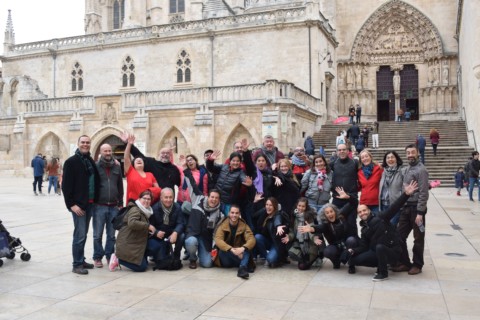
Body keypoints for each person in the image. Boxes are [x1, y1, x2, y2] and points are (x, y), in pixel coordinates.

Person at [347, 181, 418, 281]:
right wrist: (353, 251)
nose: (362, 213)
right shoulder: (364, 229)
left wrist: (406, 194)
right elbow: (364, 246)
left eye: (364, 210)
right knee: (354, 260)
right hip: (377, 252)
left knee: (380, 247)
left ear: (369, 211)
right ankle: (379, 264)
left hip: (392, 251)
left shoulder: (381, 217)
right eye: (360, 212)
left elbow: (394, 207)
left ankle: (383, 273)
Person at [62, 135, 100, 275]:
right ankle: (77, 264)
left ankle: (81, 259)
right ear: (78, 144)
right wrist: (71, 205)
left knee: (83, 234)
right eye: (83, 142)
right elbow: (66, 186)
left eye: (87, 142)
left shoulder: (89, 160)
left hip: (89, 204)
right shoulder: (71, 162)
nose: (85, 144)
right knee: (79, 235)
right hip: (78, 206)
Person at [392, 144, 429, 275]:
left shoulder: (421, 170)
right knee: (399, 236)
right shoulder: (406, 169)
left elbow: (424, 192)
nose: (410, 155)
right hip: (406, 208)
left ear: (418, 153)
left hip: (416, 209)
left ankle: (418, 264)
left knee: (418, 238)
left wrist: (420, 212)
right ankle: (405, 263)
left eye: (413, 152)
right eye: (408, 153)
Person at [109, 190, 157, 272]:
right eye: (144, 198)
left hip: (135, 242)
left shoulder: (146, 211)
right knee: (142, 267)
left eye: (149, 199)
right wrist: (148, 226)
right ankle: (117, 259)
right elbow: (132, 223)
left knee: (149, 255)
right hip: (127, 242)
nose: (146, 201)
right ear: (139, 199)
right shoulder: (135, 209)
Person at [93, 143, 124, 268]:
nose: (108, 153)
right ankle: (97, 257)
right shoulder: (95, 166)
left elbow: (120, 185)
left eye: (109, 151)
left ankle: (109, 256)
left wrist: (121, 203)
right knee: (97, 234)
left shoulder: (117, 167)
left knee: (111, 235)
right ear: (101, 152)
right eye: (105, 151)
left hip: (113, 206)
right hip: (99, 206)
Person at [184, 174, 223, 269]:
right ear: (208, 196)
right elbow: (191, 185)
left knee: (207, 264)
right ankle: (192, 259)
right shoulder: (198, 200)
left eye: (216, 198)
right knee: (191, 242)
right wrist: (186, 170)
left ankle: (202, 254)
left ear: (219, 200)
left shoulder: (220, 215)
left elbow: (216, 233)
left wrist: (214, 247)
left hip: (205, 240)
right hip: (193, 234)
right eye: (212, 197)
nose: (214, 200)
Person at [213, 205, 256, 279]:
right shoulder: (223, 225)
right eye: (232, 213)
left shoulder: (244, 226)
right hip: (226, 258)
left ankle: (242, 268)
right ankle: (245, 263)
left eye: (236, 213)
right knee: (222, 251)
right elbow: (218, 240)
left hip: (239, 255)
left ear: (239, 214)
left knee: (248, 248)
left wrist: (242, 248)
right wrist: (232, 250)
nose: (234, 215)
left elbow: (251, 239)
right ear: (229, 213)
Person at [206, 150, 252, 215]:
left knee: (226, 221)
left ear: (240, 162)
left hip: (228, 203)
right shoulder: (224, 167)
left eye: (238, 161)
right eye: (233, 160)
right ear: (230, 161)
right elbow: (211, 168)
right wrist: (210, 160)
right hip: (217, 199)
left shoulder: (240, 173)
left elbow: (244, 179)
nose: (235, 163)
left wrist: (249, 184)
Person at [284, 198, 325, 270]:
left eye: (303, 206)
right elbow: (292, 231)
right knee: (291, 253)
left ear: (306, 207)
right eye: (299, 206)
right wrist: (289, 237)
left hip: (310, 244)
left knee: (302, 267)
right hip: (299, 243)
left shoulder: (309, 216)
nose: (301, 208)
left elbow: (311, 230)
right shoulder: (294, 216)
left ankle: (313, 258)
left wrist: (314, 238)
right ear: (297, 205)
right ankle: (305, 259)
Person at [149, 188, 185, 264]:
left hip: (172, 232)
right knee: (161, 259)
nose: (168, 200)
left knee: (182, 236)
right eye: (166, 197)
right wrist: (156, 232)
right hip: (160, 235)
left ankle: (176, 254)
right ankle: (160, 252)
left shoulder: (177, 207)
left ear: (173, 197)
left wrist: (175, 232)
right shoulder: (154, 208)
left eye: (170, 197)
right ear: (161, 198)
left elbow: (180, 223)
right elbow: (151, 225)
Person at [330, 143, 359, 238]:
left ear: (348, 151)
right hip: (337, 199)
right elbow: (319, 169)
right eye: (339, 150)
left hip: (350, 198)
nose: (341, 151)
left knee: (351, 225)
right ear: (337, 152)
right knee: (338, 224)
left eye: (344, 149)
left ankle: (354, 246)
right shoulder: (333, 163)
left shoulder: (355, 163)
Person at [124, 134, 161, 203]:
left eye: (141, 160)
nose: (139, 160)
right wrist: (129, 144)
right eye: (136, 160)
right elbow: (126, 158)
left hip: (147, 205)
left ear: (144, 164)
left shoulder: (150, 175)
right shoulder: (130, 172)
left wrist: (149, 191)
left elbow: (158, 189)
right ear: (133, 165)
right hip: (134, 205)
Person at [253, 197, 290, 268]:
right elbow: (254, 216)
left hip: (277, 244)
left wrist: (278, 226)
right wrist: (254, 202)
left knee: (271, 259)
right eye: (267, 204)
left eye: (270, 205)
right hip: (269, 242)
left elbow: (277, 219)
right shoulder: (265, 214)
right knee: (257, 237)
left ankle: (278, 258)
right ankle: (267, 257)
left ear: (275, 206)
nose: (268, 207)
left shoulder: (279, 214)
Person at [379, 151, 405, 226]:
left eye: (392, 157)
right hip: (384, 205)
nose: (390, 159)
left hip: (395, 205)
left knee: (392, 227)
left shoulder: (402, 171)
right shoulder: (383, 171)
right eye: (388, 158)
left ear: (396, 159)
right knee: (385, 228)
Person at [358, 150, 383, 215]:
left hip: (376, 202)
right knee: (366, 224)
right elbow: (359, 187)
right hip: (364, 203)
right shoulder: (359, 172)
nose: (365, 158)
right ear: (361, 160)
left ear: (370, 157)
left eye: (366, 156)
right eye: (362, 157)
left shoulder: (379, 168)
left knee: (376, 223)